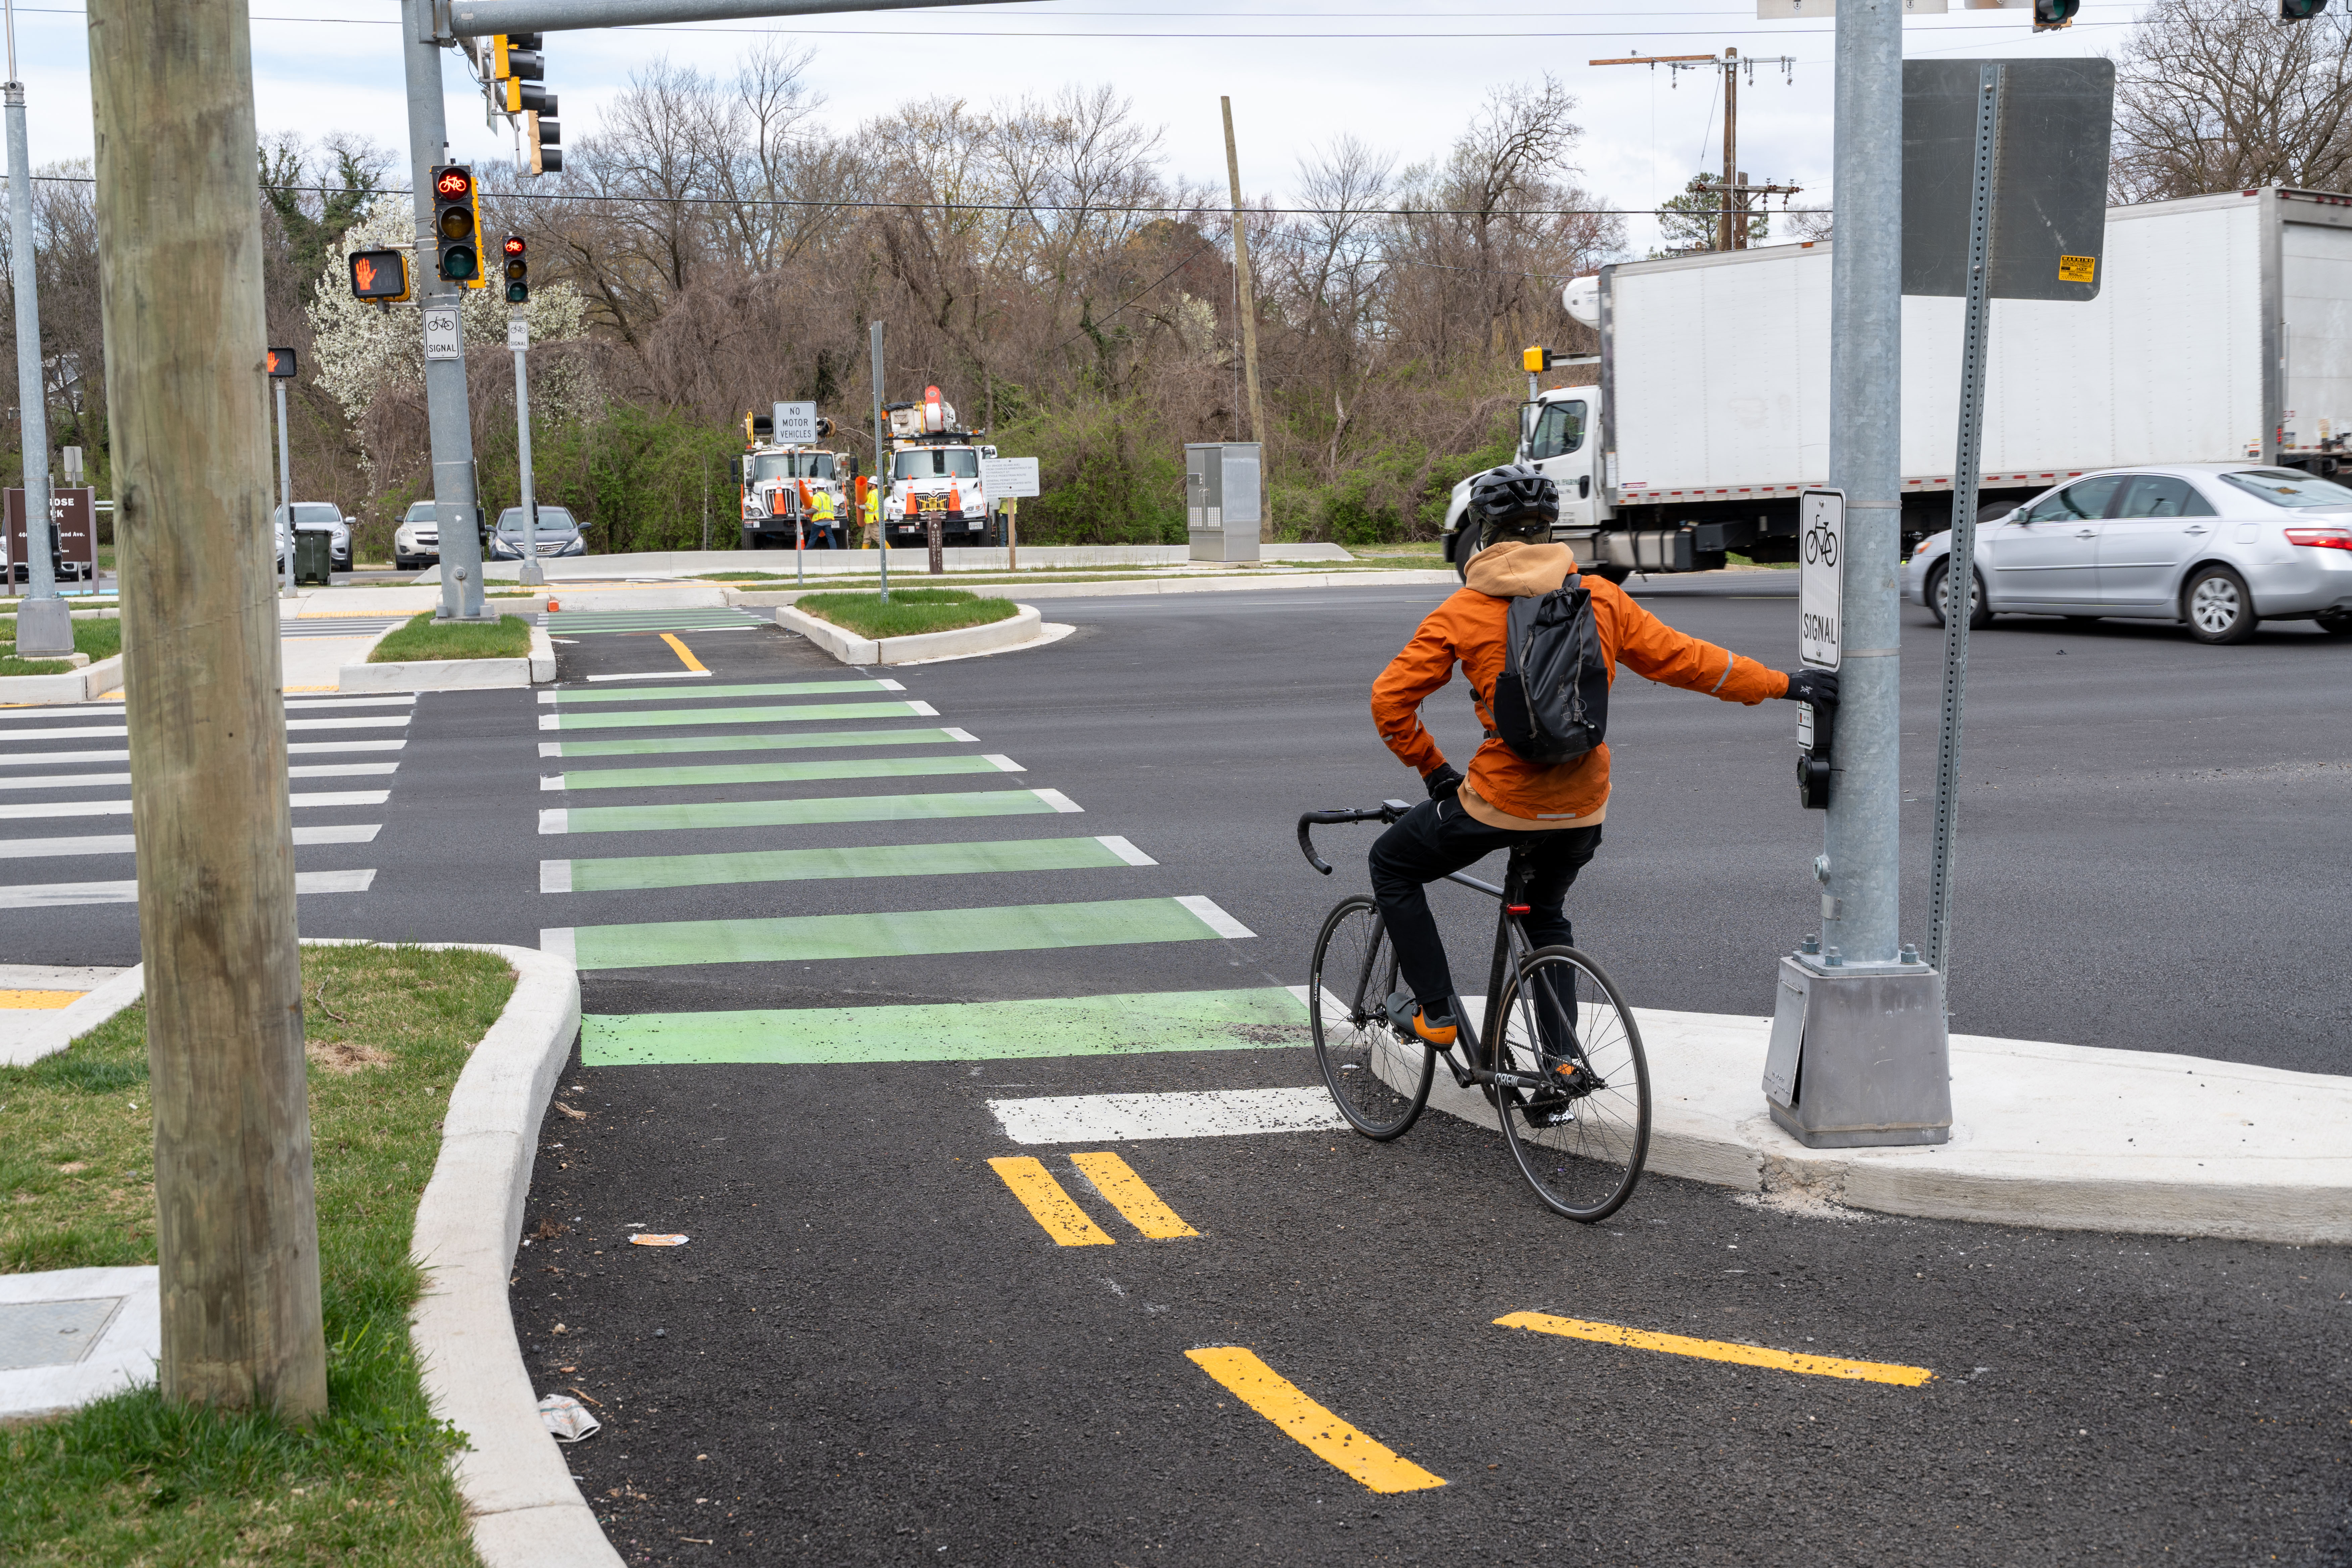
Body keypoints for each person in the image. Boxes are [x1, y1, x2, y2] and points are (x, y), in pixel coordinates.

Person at [1367, 462, 1839, 1080]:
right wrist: (1786, 685)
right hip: (1583, 804)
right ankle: (1563, 1063)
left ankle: (1434, 1012)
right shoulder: (1601, 597)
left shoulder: (1461, 611)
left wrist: (1432, 769)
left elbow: (1389, 701)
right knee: (1544, 915)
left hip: (1498, 799)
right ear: (1548, 532)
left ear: (1484, 534)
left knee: (1391, 864)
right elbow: (1688, 662)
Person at [808, 483, 839, 549]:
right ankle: (835, 552)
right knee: (831, 538)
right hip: (828, 521)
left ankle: (806, 551)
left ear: (817, 488)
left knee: (813, 538)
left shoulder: (817, 496)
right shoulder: (829, 497)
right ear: (824, 488)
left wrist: (806, 512)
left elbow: (815, 509)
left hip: (819, 521)